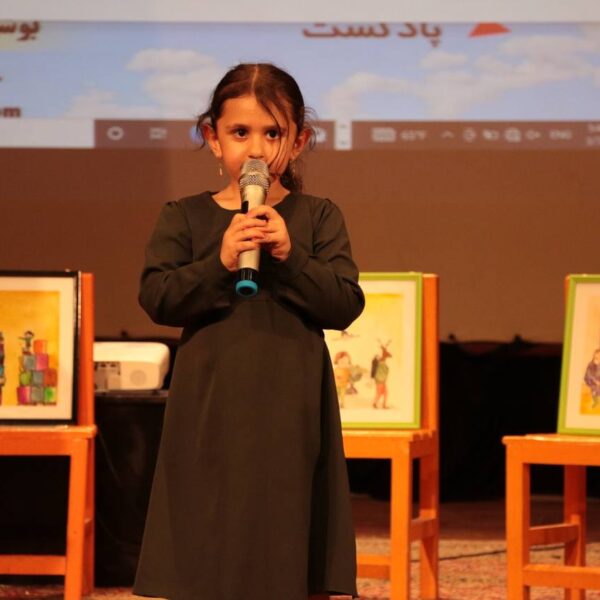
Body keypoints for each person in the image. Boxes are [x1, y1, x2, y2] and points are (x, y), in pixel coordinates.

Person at [133, 63, 365, 600]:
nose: (256, 149)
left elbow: (343, 303)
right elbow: (158, 297)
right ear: (212, 138)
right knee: (208, 522)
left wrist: (289, 254)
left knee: (285, 520)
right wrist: (218, 262)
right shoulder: (184, 217)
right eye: (240, 132)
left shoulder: (317, 217)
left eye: (273, 133)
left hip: (290, 405)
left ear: (298, 141)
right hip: (209, 405)